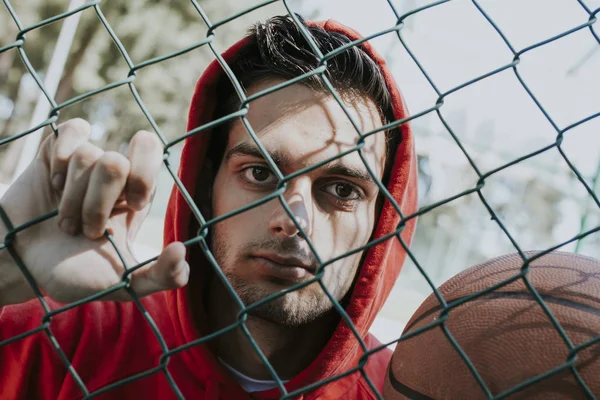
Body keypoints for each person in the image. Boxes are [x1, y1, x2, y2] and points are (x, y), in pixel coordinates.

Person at [0, 14, 417, 399]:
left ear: (381, 220)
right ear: (207, 184)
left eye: (342, 190)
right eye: (259, 173)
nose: (293, 218)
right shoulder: (61, 335)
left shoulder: (404, 390)